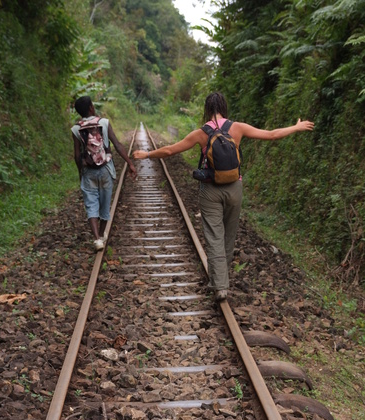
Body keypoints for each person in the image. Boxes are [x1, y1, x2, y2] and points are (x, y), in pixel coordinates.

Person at [133, 92, 314, 301]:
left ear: (207, 109)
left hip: (210, 190)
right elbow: (271, 134)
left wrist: (146, 155)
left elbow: (170, 151)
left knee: (214, 236)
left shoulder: (201, 133)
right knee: (228, 235)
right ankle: (222, 279)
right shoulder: (237, 128)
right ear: (224, 107)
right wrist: (296, 127)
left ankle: (220, 287)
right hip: (234, 188)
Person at [72, 96, 137, 251]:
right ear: (91, 108)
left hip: (88, 171)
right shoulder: (104, 123)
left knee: (91, 204)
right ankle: (102, 235)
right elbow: (117, 145)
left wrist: (80, 172)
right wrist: (130, 163)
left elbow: (76, 155)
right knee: (105, 204)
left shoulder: (75, 129)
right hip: (106, 169)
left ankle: (96, 239)